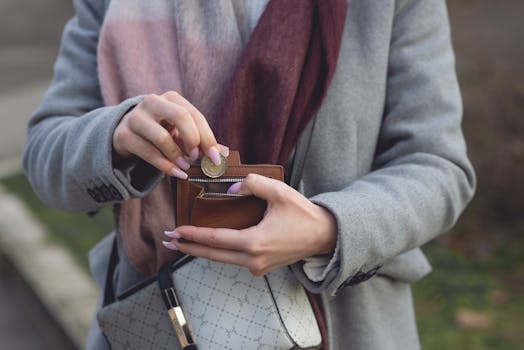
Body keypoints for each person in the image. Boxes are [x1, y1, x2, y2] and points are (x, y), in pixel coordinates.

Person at [23, 0, 475, 349]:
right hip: (165, 321)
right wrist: (113, 135)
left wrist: (328, 228)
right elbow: (45, 154)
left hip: (344, 324)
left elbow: (438, 164)